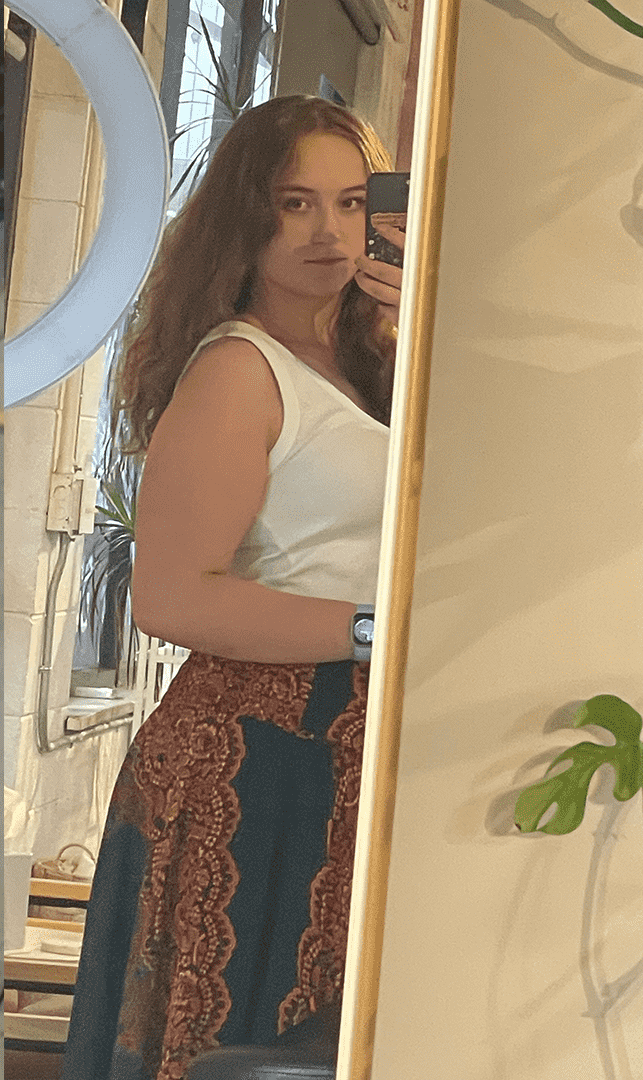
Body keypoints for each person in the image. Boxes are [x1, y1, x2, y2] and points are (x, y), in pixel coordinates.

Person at [60, 95, 405, 1080]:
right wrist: (383, 630)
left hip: (332, 754)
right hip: (252, 763)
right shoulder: (239, 370)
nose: (328, 233)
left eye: (348, 203)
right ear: (244, 219)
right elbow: (170, 597)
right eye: (294, 204)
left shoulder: (361, 363)